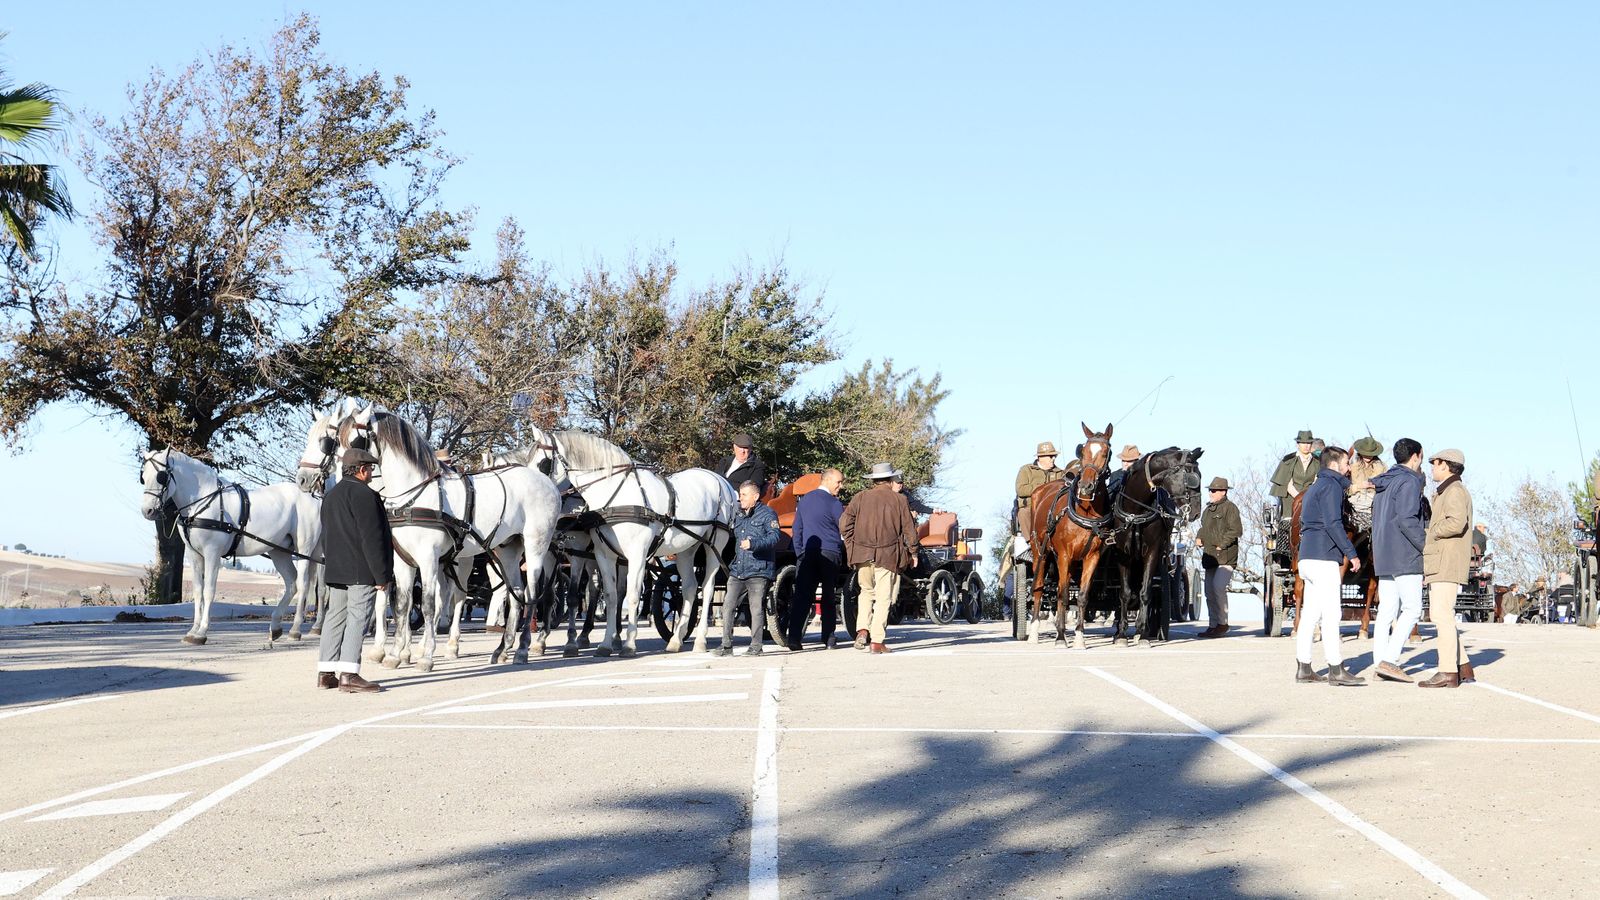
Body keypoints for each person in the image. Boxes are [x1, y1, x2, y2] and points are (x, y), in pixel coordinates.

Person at [317, 448, 392, 694]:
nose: (372, 473)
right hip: (361, 569)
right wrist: (382, 575)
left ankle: (326, 673)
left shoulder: (331, 495)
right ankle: (349, 675)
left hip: (336, 569)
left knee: (335, 617)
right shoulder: (365, 495)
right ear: (361, 470)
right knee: (358, 618)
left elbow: (326, 535)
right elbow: (372, 539)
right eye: (370, 469)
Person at [1295, 445, 1364, 686]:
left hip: (1307, 557)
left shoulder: (1314, 487)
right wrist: (1352, 554)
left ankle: (1303, 667)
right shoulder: (1332, 487)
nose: (1348, 468)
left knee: (1310, 615)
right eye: (1346, 463)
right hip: (1324, 558)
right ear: (1334, 464)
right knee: (1332, 614)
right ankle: (1336, 669)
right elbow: (1334, 523)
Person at [841, 462, 919, 654]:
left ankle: (862, 630)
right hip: (888, 555)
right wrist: (913, 552)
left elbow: (844, 525)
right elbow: (909, 530)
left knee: (866, 592)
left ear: (873, 480)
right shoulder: (899, 501)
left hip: (862, 554)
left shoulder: (859, 498)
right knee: (883, 597)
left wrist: (852, 545)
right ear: (891, 479)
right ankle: (876, 641)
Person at [1368, 437, 1426, 683]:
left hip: (1383, 552)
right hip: (1405, 553)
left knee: (1386, 610)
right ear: (1415, 456)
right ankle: (1389, 660)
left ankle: (1379, 661)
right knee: (1413, 608)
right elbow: (1407, 519)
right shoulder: (1409, 481)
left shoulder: (1385, 482)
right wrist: (1426, 547)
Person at [1421, 448, 1475, 688]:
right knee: (1444, 615)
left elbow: (1456, 522)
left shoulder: (1453, 490)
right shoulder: (1448, 490)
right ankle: (1463, 668)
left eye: (1435, 463)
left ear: (1446, 465)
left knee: (1441, 616)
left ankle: (1447, 672)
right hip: (1443, 559)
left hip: (1447, 561)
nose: (1431, 467)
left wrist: (1431, 531)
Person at [719, 481, 779, 657]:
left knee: (756, 609)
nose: (740, 498)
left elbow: (774, 537)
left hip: (759, 570)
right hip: (738, 570)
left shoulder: (768, 514)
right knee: (728, 606)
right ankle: (726, 645)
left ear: (755, 496)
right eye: (740, 495)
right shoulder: (738, 515)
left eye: (744, 495)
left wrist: (754, 544)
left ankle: (756, 645)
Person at [789, 468, 846, 650]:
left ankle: (794, 639)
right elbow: (843, 528)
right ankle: (828, 638)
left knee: (802, 597)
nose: (841, 486)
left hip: (808, 553)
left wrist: (800, 552)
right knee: (828, 596)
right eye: (839, 482)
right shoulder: (834, 503)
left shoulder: (804, 500)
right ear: (828, 481)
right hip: (830, 553)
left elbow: (797, 528)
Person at [1195, 476, 1242, 637]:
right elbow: (1203, 527)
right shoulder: (1207, 510)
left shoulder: (1230, 508)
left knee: (1218, 587)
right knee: (1209, 591)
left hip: (1225, 557)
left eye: (1214, 490)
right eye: (1210, 490)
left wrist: (1222, 544)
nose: (1211, 493)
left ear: (1223, 492)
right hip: (1209, 556)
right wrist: (1199, 536)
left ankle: (1223, 623)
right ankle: (1213, 624)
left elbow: (1236, 530)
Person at [1013, 442, 1063, 537]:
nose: (1053, 459)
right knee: (1023, 513)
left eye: (1054, 456)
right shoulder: (1026, 470)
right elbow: (1021, 489)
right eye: (1050, 456)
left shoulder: (1060, 473)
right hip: (1031, 507)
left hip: (1053, 508)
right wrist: (1043, 488)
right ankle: (1030, 544)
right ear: (1040, 457)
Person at [1271, 430, 1321, 513]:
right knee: (1287, 521)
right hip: (1291, 498)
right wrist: (1299, 497)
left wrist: (1308, 497)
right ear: (1298, 444)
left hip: (1311, 498)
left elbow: (1316, 482)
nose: (1306, 446)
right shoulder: (1288, 460)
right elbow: (1287, 484)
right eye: (1303, 443)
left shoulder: (1317, 462)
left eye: (1308, 443)